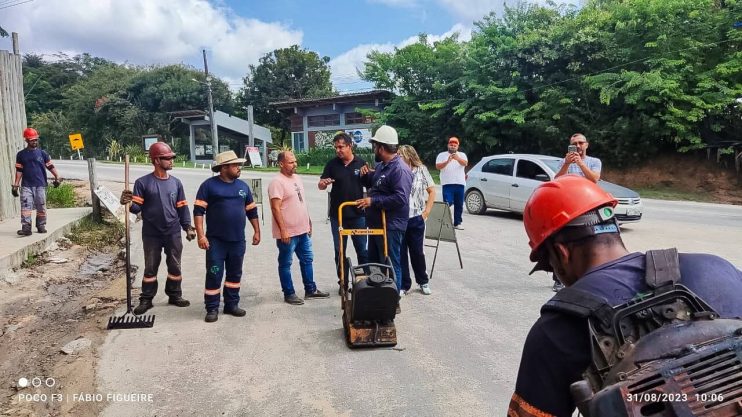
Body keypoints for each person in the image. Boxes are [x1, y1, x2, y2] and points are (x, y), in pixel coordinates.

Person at [509, 175, 742, 417]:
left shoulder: (556, 327)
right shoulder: (717, 268)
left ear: (561, 253)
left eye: (551, 267)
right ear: (616, 229)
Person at [120, 142, 195, 315]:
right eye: (167, 158)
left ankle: (175, 295)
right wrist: (126, 201)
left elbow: (182, 207)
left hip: (173, 231)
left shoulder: (176, 183)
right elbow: (136, 208)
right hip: (151, 233)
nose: (171, 160)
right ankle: (146, 299)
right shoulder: (143, 183)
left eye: (171, 157)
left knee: (175, 265)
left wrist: (188, 227)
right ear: (156, 160)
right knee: (150, 267)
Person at [193, 150, 261, 323]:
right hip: (216, 241)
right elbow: (198, 212)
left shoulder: (243, 187)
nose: (239, 168)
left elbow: (251, 210)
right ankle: (212, 308)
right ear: (224, 168)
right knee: (214, 273)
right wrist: (201, 235)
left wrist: (257, 231)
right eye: (235, 165)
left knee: (234, 273)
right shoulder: (208, 186)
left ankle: (231, 304)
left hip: (237, 241)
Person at [357, 125, 413, 296]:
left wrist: (372, 201)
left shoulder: (400, 170)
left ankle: (393, 299)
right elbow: (376, 185)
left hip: (391, 226)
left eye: (375, 146)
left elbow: (400, 199)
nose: (374, 149)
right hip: (376, 224)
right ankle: (378, 298)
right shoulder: (382, 166)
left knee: (390, 263)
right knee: (375, 263)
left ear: (381, 148)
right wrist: (365, 176)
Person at [269, 151, 329, 305]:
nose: (295, 164)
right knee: (286, 263)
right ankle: (289, 293)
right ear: (281, 164)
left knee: (307, 259)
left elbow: (300, 202)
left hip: (302, 230)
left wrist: (308, 221)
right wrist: (283, 230)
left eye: (295, 161)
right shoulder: (277, 182)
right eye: (291, 162)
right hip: (288, 233)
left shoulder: (297, 178)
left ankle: (310, 289)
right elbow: (275, 208)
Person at [318, 132, 368, 293]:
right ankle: (343, 282)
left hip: (358, 216)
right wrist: (323, 183)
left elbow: (371, 184)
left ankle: (362, 282)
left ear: (350, 146)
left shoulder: (361, 163)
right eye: (336, 147)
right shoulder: (332, 165)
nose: (338, 150)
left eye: (341, 147)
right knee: (339, 251)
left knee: (362, 250)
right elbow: (321, 184)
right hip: (337, 216)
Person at [397, 145, 435, 295]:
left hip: (417, 217)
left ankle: (423, 281)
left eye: (401, 154)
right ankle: (403, 285)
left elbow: (432, 191)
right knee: (400, 253)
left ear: (409, 155)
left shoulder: (421, 169)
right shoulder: (397, 169)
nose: (398, 157)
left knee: (417, 252)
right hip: (400, 218)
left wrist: (426, 212)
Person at [13, 127, 62, 236]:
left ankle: (41, 225)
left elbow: (50, 166)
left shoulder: (42, 153)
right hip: (26, 186)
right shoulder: (21, 155)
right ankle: (26, 228)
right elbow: (19, 170)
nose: (34, 142)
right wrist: (15, 185)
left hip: (40, 185)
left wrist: (57, 176)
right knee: (26, 207)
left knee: (41, 206)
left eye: (36, 139)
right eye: (32, 140)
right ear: (26, 140)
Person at [435, 136, 467, 230]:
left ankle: (457, 223)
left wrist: (457, 158)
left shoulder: (462, 155)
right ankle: (445, 222)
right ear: (448, 145)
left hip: (460, 183)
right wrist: (447, 161)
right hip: (447, 183)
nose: (453, 146)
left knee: (459, 204)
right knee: (447, 203)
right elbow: (437, 166)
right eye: (451, 145)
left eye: (454, 145)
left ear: (457, 146)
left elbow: (465, 163)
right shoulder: (442, 155)